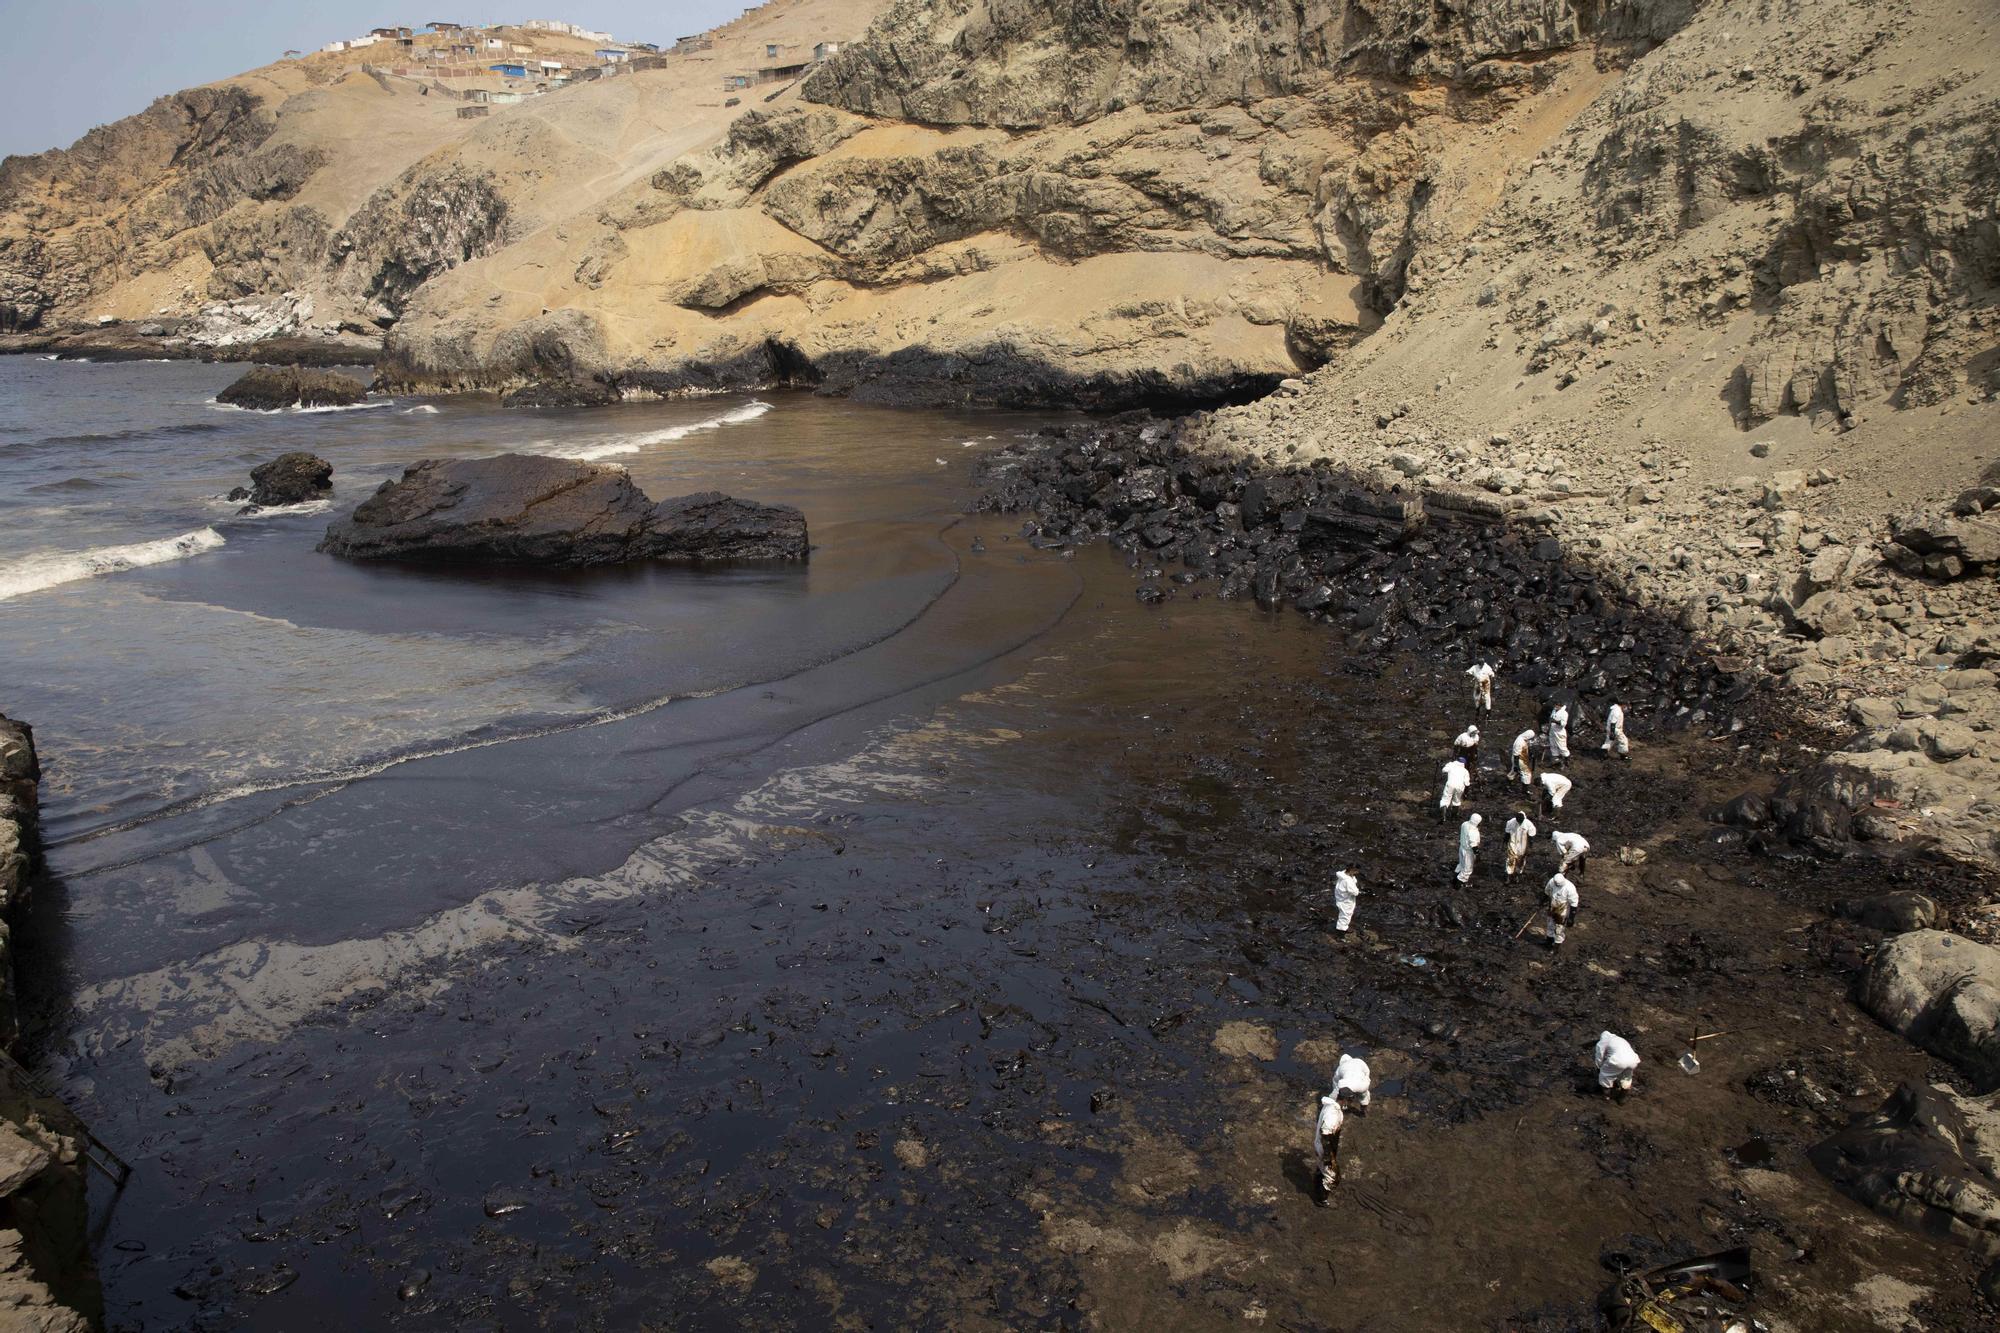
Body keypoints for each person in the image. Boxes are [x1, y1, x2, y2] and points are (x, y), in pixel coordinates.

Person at [1314, 1093, 1344, 1199]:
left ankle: (1317, 1182)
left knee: (1322, 1169)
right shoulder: (1332, 1114)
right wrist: (1328, 1157)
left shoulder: (1330, 1106)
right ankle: (1321, 1199)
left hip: (1322, 1145)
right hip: (1324, 1148)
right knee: (1332, 1177)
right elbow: (1325, 1135)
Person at [1594, 1031, 1640, 1097]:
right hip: (1633, 1060)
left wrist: (1599, 1067)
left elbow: (1599, 1055)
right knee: (1627, 1077)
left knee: (1606, 1076)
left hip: (1618, 1060)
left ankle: (1607, 1095)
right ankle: (1622, 1097)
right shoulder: (1620, 1039)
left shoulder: (1603, 1042)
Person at [1543, 871, 1579, 946]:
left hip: (1563, 909)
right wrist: (1543, 901)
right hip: (1552, 906)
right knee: (1550, 924)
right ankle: (1549, 941)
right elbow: (1547, 892)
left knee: (1559, 928)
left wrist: (1571, 918)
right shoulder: (1552, 882)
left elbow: (1574, 903)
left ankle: (1557, 945)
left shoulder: (1570, 888)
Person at [1504, 809, 1537, 877]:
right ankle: (1509, 874)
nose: (1519, 823)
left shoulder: (1528, 824)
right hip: (1513, 843)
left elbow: (1531, 837)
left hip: (1523, 845)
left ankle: (1518, 874)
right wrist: (1504, 843)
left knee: (1521, 859)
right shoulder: (1511, 822)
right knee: (1510, 858)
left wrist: (1530, 847)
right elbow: (1507, 834)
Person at [1455, 812, 1482, 884]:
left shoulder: (1465, 824)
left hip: (1462, 847)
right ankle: (1458, 884)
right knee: (1467, 869)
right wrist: (1477, 854)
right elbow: (1474, 845)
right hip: (1468, 851)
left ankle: (1456, 875)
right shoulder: (1473, 831)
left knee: (1461, 864)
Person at [1332, 869, 1360, 933]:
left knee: (1343, 912)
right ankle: (1341, 929)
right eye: (1356, 871)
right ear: (1351, 870)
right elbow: (1355, 892)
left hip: (1340, 897)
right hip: (1346, 900)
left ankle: (1341, 927)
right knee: (1346, 913)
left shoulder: (1342, 875)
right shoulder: (1348, 881)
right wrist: (1358, 890)